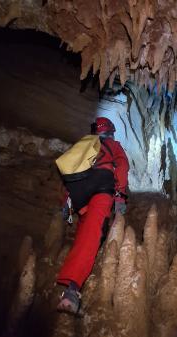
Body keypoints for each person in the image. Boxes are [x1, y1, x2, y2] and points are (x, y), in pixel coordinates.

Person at [57, 117, 129, 314]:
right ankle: (72, 290)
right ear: (111, 131)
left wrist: (67, 203)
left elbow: (71, 172)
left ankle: (73, 272)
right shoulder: (113, 145)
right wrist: (121, 195)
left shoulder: (86, 144)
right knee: (93, 231)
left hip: (79, 190)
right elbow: (122, 166)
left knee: (85, 228)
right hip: (101, 184)